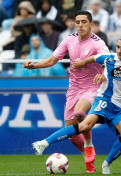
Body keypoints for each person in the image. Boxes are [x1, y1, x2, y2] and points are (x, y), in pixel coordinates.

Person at [31, 34, 121, 174]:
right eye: (117, 47)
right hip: (104, 101)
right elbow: (94, 58)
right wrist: (83, 63)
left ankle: (106, 164)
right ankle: (44, 143)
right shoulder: (109, 58)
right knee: (85, 125)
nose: (119, 51)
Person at [23, 11, 108, 173]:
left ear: (91, 24)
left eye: (84, 22)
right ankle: (87, 157)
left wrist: (103, 73)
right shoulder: (69, 39)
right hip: (74, 88)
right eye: (78, 22)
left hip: (91, 87)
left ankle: (89, 145)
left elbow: (108, 60)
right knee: (72, 134)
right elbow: (52, 60)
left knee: (79, 113)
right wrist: (34, 65)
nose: (80, 25)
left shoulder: (98, 43)